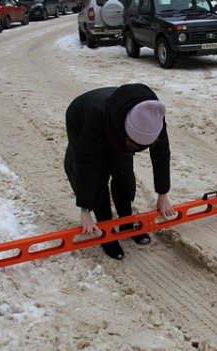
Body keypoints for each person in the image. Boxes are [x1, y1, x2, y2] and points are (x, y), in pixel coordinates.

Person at [64, 83, 176, 260]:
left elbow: (161, 154)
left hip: (117, 119)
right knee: (99, 175)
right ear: (126, 133)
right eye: (134, 146)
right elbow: (87, 163)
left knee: (123, 170)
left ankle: (126, 223)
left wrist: (163, 194)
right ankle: (107, 232)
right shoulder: (97, 115)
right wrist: (85, 208)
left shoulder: (153, 116)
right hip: (82, 120)